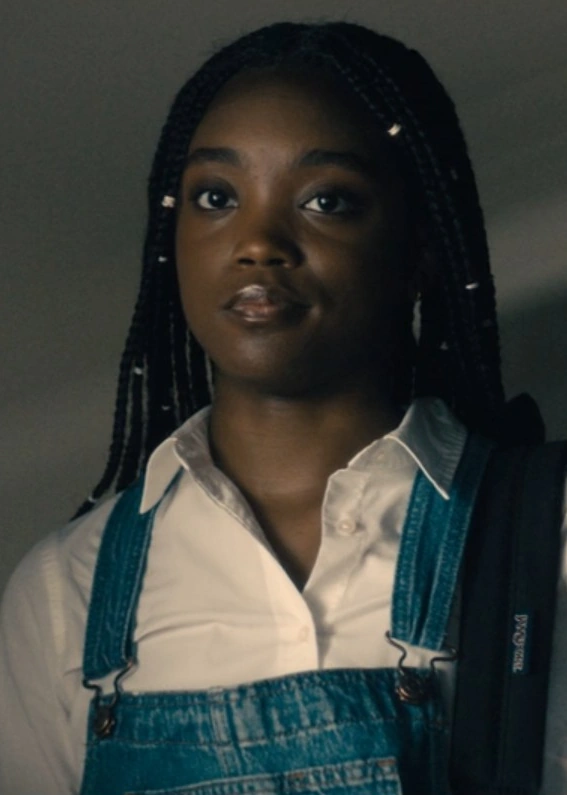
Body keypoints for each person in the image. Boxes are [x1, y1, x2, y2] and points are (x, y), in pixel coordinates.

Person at [0, 20, 565, 795]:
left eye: (326, 200)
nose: (258, 241)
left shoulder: (545, 534)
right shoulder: (68, 588)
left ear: (421, 249)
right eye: (216, 197)